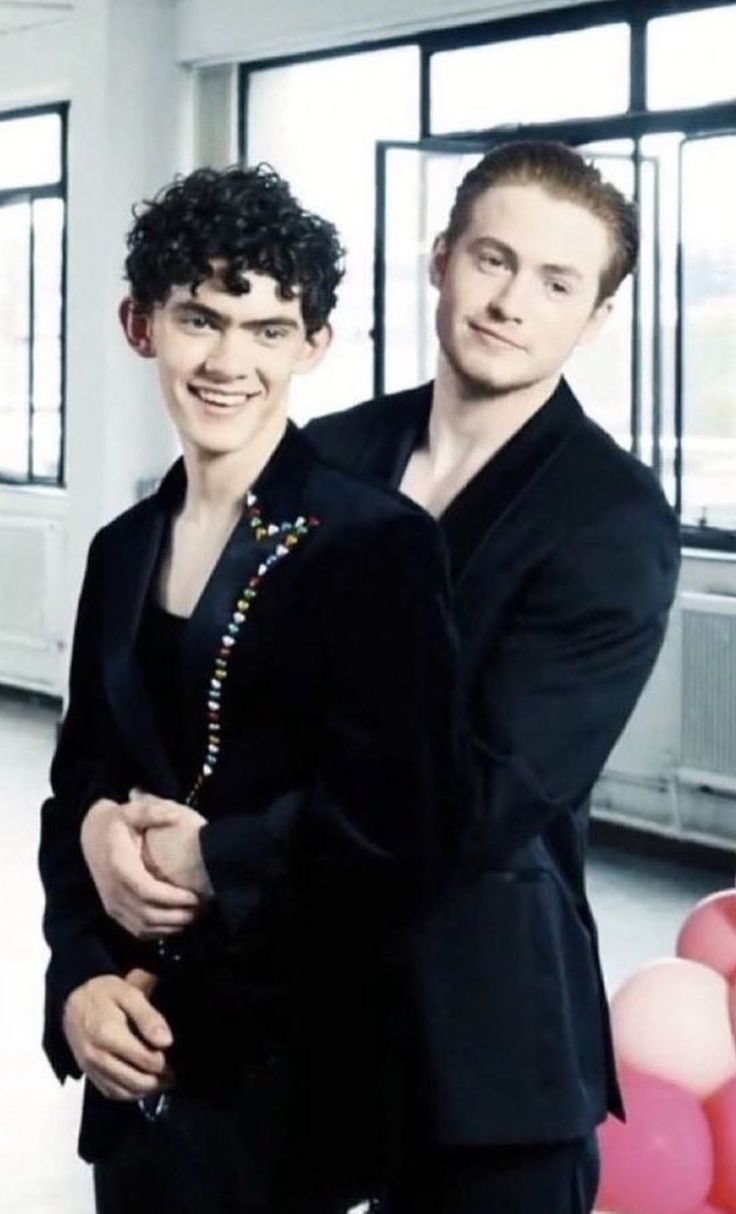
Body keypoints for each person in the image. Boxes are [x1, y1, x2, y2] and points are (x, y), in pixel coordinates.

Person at [38, 164, 460, 1214]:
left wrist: (210, 869)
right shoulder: (120, 547)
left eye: (269, 329)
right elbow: (74, 789)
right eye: (201, 318)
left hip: (286, 1078)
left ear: (312, 345)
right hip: (129, 1069)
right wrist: (80, 982)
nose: (231, 360)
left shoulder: (377, 544)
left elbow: (405, 831)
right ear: (140, 324)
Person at [303, 141, 681, 1212]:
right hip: (295, 1025)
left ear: (595, 319)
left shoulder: (609, 519)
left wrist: (224, 847)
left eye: (557, 282)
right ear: (441, 259)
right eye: (493, 259)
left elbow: (479, 798)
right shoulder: (327, 453)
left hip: (484, 1045)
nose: (513, 301)